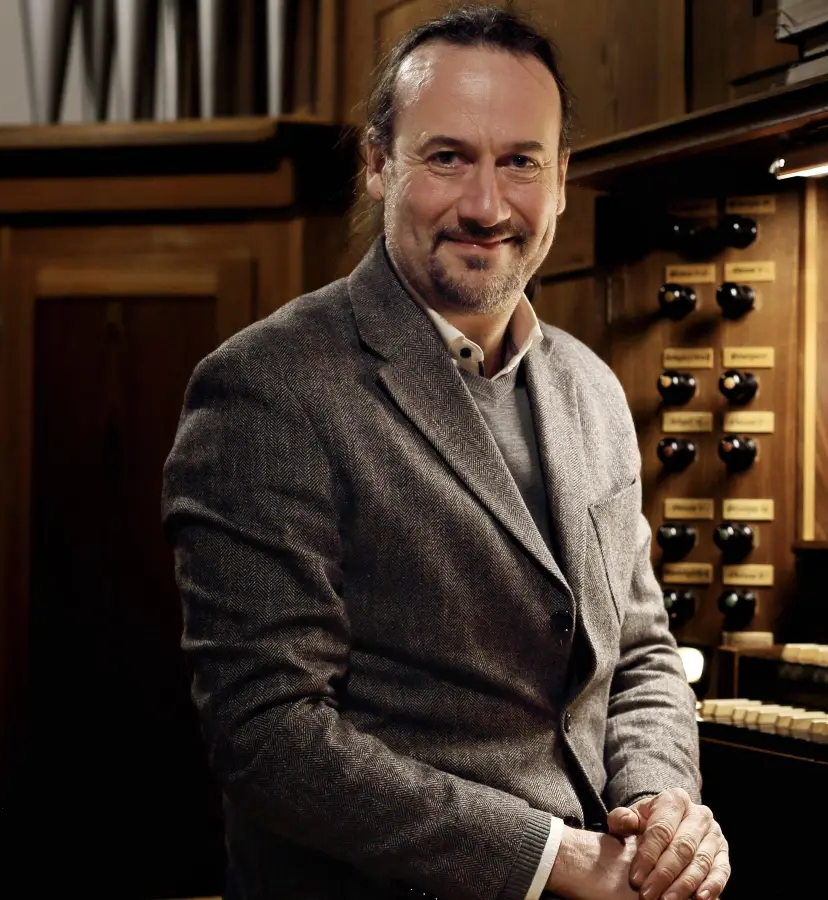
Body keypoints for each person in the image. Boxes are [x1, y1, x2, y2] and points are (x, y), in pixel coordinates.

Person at [162, 7, 728, 899]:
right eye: (448, 156)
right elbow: (268, 736)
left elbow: (644, 653)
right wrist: (559, 860)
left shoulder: (591, 389)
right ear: (379, 163)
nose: (487, 206)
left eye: (520, 163)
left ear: (562, 178)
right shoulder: (267, 389)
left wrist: (662, 807)